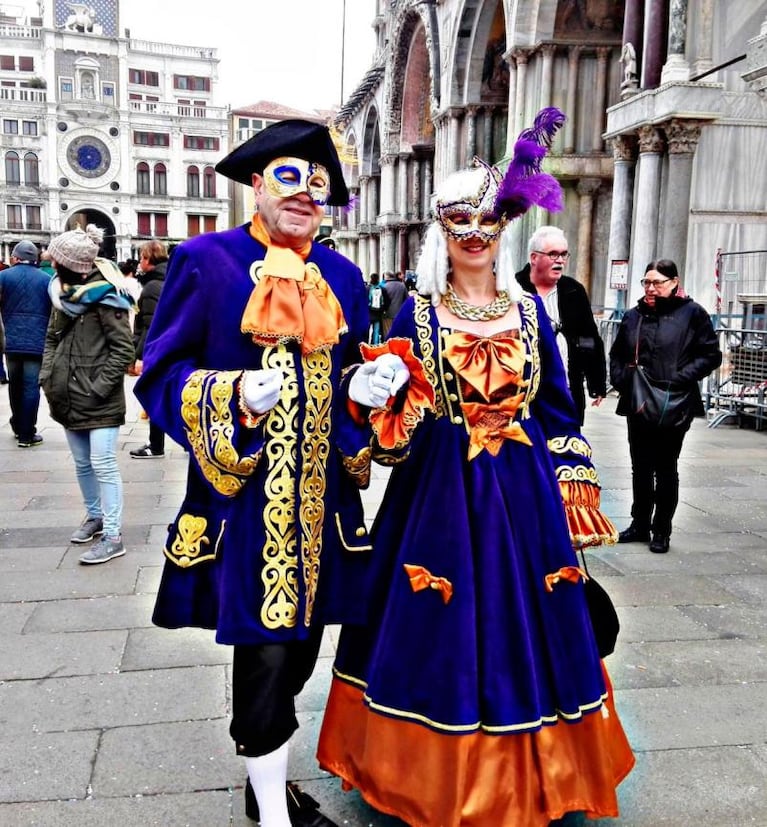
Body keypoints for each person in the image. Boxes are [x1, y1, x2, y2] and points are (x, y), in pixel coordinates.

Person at [317, 109, 634, 827]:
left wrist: (572, 487)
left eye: (485, 223)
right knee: (437, 619)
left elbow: (556, 406)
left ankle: (541, 773)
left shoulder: (527, 314)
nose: (472, 237)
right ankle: (427, 775)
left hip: (523, 496)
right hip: (439, 493)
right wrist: (371, 403)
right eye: (458, 223)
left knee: (530, 619)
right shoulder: (418, 315)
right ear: (441, 231)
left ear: (504, 227)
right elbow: (389, 413)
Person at [134, 119, 407, 827]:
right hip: (248, 507)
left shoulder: (342, 276)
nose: (305, 195)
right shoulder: (205, 259)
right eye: (290, 177)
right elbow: (160, 373)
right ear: (257, 183)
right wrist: (230, 394)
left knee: (301, 652)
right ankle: (272, 808)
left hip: (326, 508)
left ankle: (267, 784)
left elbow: (342, 378)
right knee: (262, 651)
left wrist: (363, 392)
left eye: (318, 185)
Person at [609, 259, 722, 554]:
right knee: (640, 467)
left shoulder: (693, 314)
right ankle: (639, 523)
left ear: (674, 282)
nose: (651, 288)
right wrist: (623, 380)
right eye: (647, 282)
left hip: (676, 402)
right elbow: (617, 353)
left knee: (666, 467)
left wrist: (679, 377)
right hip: (639, 401)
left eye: (657, 282)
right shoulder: (634, 315)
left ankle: (661, 530)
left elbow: (711, 355)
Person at [40, 225, 136, 564]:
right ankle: (94, 516)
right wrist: (47, 374)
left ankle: (113, 535)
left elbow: (123, 349)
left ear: (71, 264)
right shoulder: (63, 292)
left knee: (103, 464)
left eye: (56, 260)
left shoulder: (107, 297)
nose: (51, 264)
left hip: (98, 397)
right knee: (83, 464)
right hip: (65, 391)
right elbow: (52, 337)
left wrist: (98, 387)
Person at [516, 226, 607, 425]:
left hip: (567, 388)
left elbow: (590, 337)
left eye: (564, 254)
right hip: (524, 395)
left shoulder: (573, 290)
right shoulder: (513, 289)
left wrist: (597, 383)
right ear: (534, 258)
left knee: (567, 449)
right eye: (553, 254)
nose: (560, 261)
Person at [0, 240, 52, 447]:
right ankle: (27, 434)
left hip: (11, 341)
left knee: (15, 384)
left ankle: (17, 425)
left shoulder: (3, 277)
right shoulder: (46, 280)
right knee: (31, 386)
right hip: (37, 341)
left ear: (15, 257)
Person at [129, 240, 169, 458]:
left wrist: (141, 355)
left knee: (155, 398)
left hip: (157, 352)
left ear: (148, 260)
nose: (139, 262)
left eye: (142, 257)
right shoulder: (167, 279)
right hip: (169, 349)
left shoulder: (153, 286)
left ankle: (156, 446)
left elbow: (151, 324)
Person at [380, 270, 407, 336]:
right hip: (399, 313)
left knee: (387, 332)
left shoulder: (384, 287)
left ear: (387, 277)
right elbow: (406, 299)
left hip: (387, 313)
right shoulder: (402, 286)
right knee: (398, 333)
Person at [366, 272, 387, 344]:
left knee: (367, 330)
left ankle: (366, 343)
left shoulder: (367, 288)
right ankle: (375, 344)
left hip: (369, 312)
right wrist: (383, 309)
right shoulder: (382, 289)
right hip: (378, 312)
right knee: (376, 330)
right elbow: (387, 300)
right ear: (378, 279)